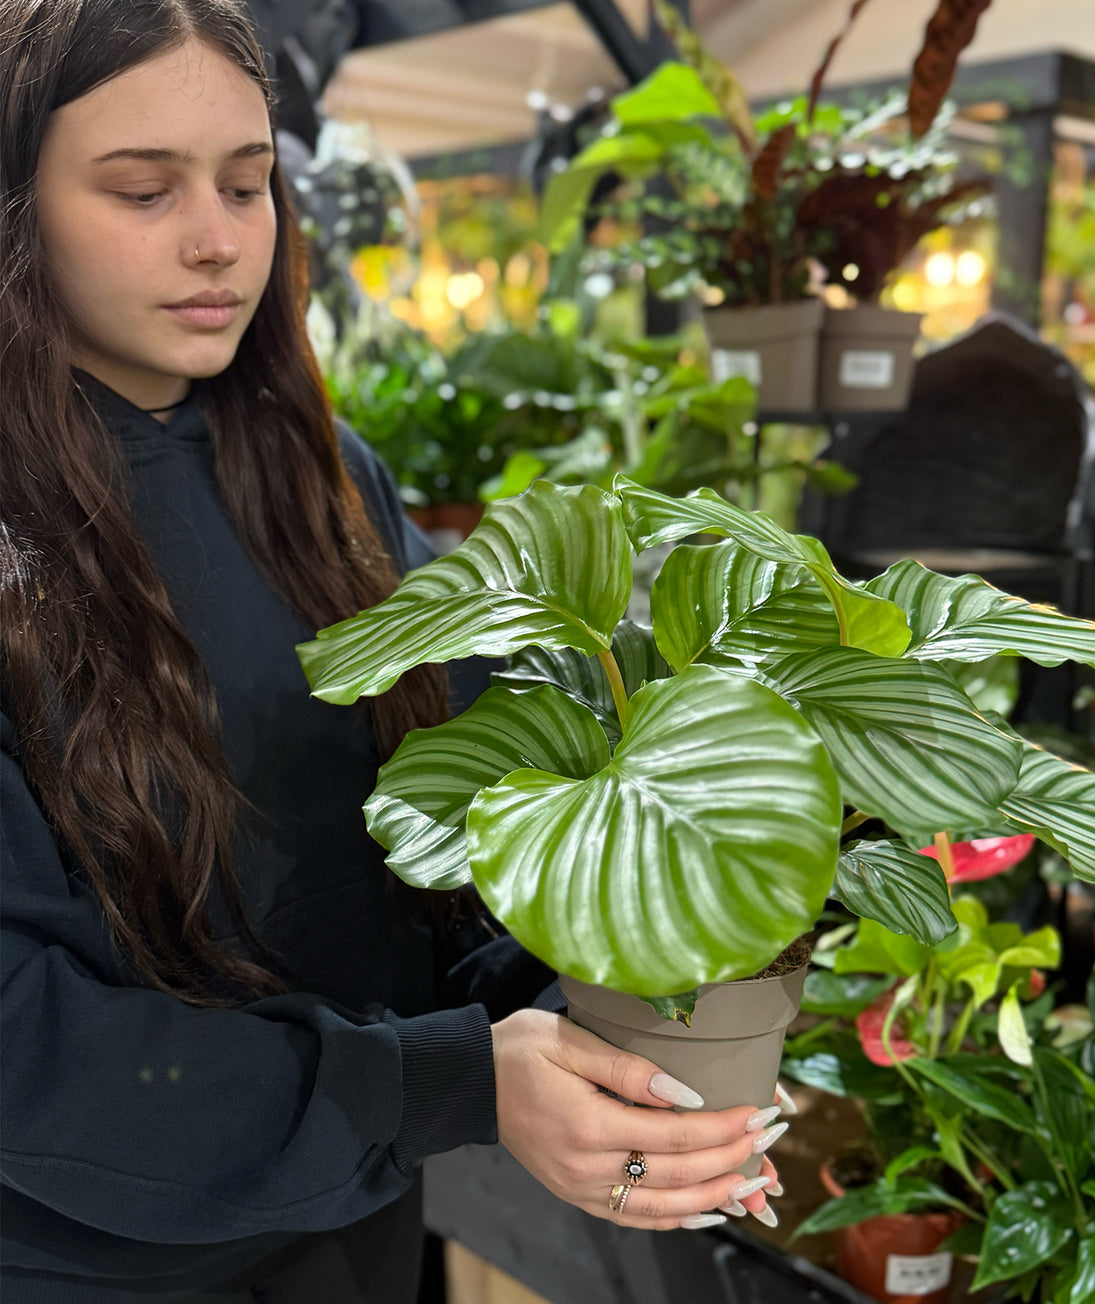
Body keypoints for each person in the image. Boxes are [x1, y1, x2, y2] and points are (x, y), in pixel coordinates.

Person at [0, 2, 788, 1300]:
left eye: (250, 186)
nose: (217, 242)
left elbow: (463, 806)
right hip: (95, 1264)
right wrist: (446, 1081)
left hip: (355, 1225)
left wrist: (613, 993)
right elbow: (28, 1052)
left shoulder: (318, 480)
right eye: (142, 190)